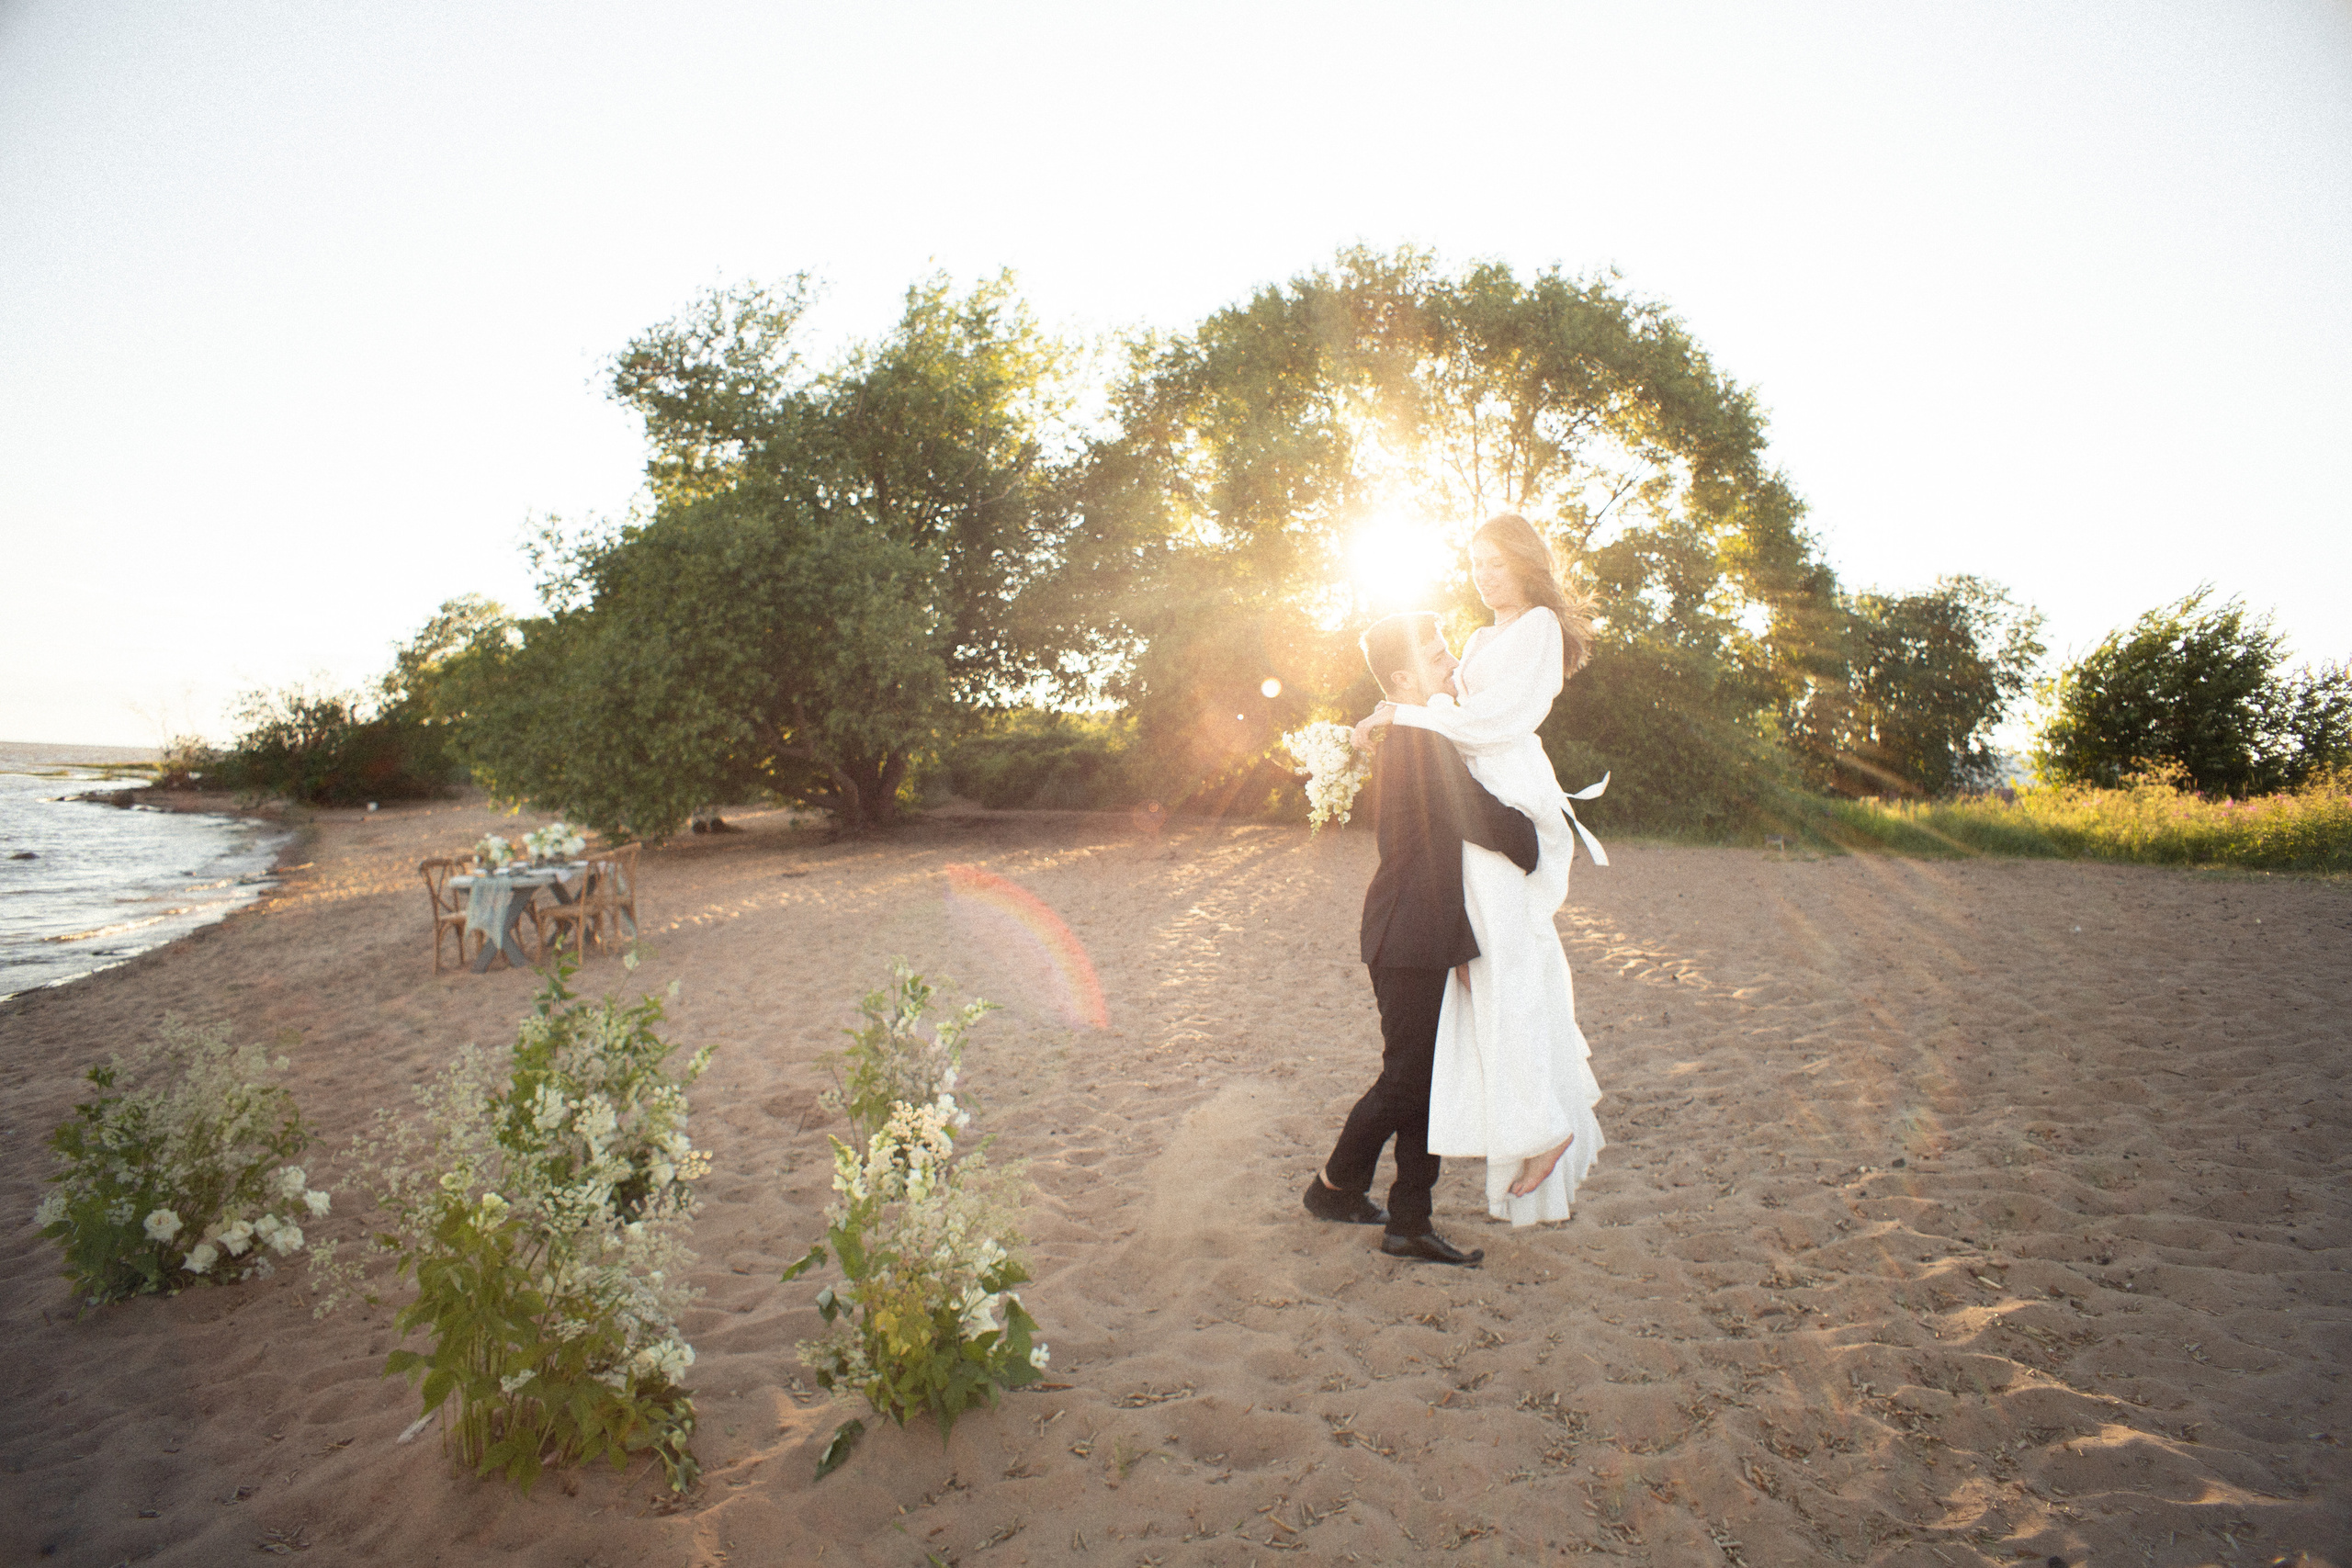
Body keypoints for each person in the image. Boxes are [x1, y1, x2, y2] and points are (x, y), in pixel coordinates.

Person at [1353, 513, 1607, 1226]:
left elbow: (1496, 720)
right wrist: (1400, 714)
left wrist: (1402, 719)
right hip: (1472, 794)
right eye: (1474, 562)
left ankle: (1545, 1123)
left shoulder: (1541, 629)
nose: (1484, 575)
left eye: (1495, 561)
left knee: (1511, 962)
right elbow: (1445, 706)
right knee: (1490, 970)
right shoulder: (1476, 638)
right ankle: (1534, 1123)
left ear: (1525, 560)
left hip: (1508, 784)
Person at [1305, 611, 1542, 1266]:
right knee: (1408, 1079)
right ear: (1406, 677)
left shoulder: (1412, 730)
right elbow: (1481, 816)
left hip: (1419, 928)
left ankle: (1408, 1217)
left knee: (1423, 1077)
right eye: (1438, 657)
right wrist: (1540, 833)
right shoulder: (1418, 741)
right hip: (1407, 931)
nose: (1451, 665)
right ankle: (1335, 1186)